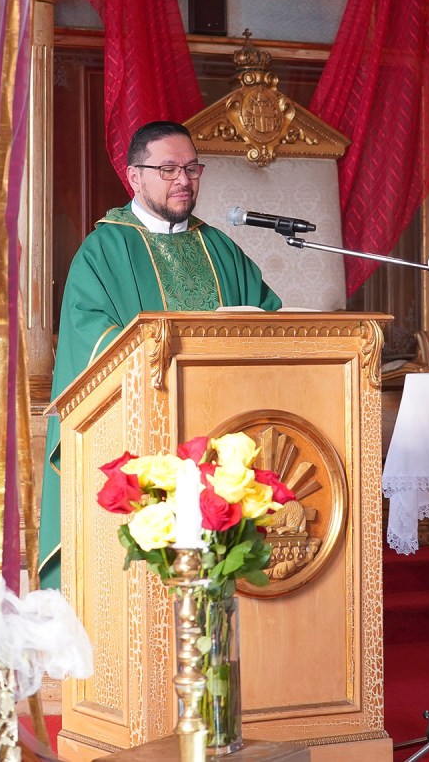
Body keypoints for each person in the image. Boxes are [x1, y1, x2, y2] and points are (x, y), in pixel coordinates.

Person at [37, 121, 281, 588]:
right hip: (141, 431)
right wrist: (157, 351)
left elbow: (266, 318)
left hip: (225, 430)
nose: (183, 181)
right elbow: (89, 340)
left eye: (191, 169)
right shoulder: (104, 249)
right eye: (168, 169)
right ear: (134, 176)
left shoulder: (219, 248)